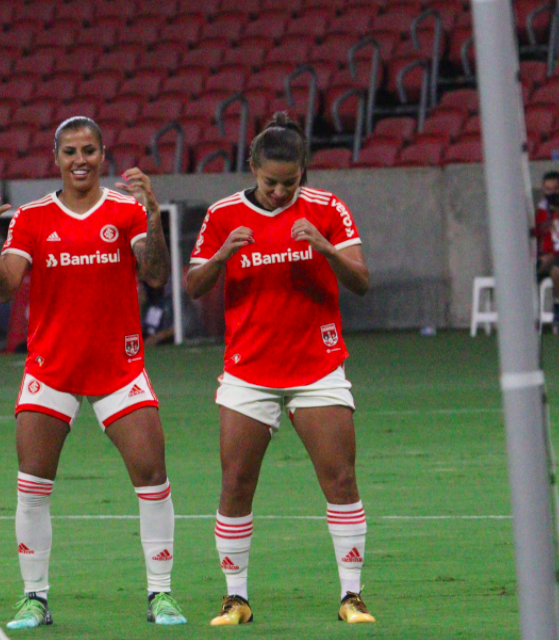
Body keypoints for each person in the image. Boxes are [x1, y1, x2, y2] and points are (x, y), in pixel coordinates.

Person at [0, 116, 187, 629]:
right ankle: (35, 597)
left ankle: (160, 593)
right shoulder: (32, 217)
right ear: (56, 158)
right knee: (32, 485)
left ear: (102, 154)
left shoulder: (127, 210)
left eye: (89, 150)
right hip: (52, 367)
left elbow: (156, 274)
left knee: (152, 476)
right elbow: (5, 289)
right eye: (70, 151)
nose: (80, 160)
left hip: (119, 365)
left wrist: (154, 216)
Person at [185, 113, 375, 626]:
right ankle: (235, 598)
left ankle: (352, 596)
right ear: (251, 168)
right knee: (236, 483)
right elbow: (192, 286)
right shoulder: (223, 214)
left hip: (318, 366)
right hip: (248, 370)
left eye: (289, 183)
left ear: (303, 174)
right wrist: (221, 255)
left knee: (340, 479)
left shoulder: (328, 209)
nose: (278, 192)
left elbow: (360, 281)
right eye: (270, 182)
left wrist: (327, 248)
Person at [535, 171, 559, 325]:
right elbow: (535, 235)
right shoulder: (540, 212)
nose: (551, 193)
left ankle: (557, 305)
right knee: (525, 270)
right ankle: (530, 314)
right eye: (548, 189)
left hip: (556, 256)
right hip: (544, 256)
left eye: (555, 189)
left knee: (557, 269)